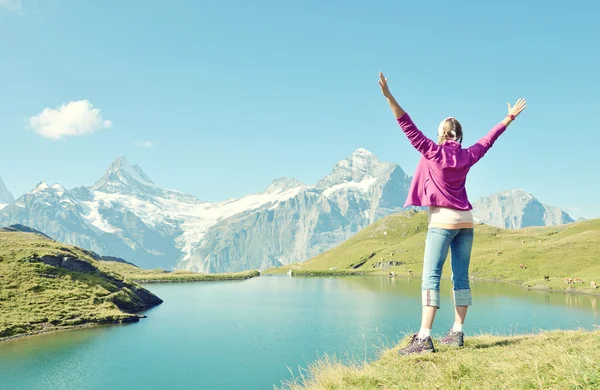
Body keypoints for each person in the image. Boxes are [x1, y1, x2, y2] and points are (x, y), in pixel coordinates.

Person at [378, 72, 527, 355]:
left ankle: (424, 338)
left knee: (431, 277)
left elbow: (405, 124)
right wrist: (509, 118)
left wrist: (389, 96)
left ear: (441, 135)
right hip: (466, 223)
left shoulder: (432, 152)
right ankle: (457, 333)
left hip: (442, 222)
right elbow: (489, 139)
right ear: (459, 136)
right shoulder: (468, 155)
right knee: (461, 277)